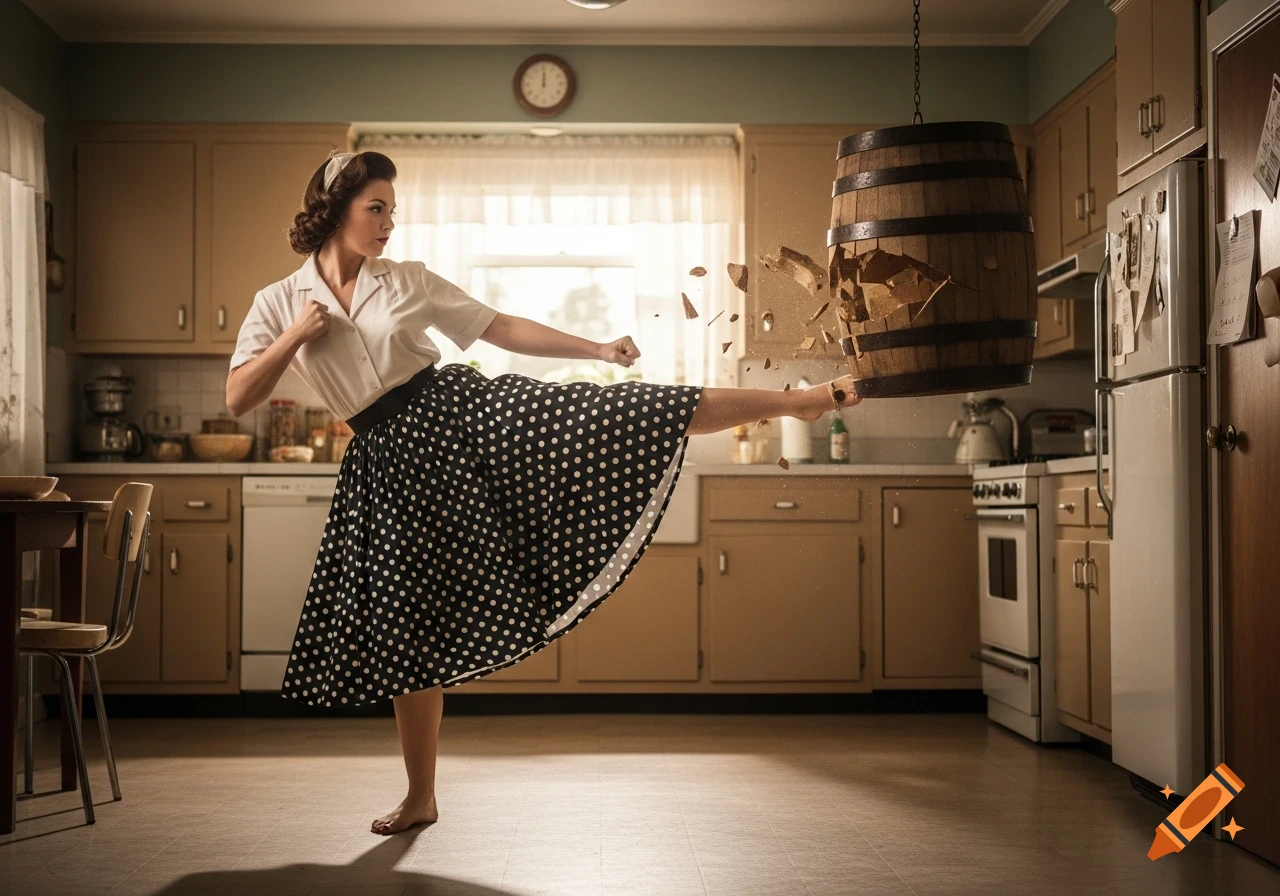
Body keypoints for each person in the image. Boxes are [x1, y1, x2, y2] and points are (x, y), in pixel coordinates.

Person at [226, 150, 863, 835]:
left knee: (627, 412)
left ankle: (793, 401)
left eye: (392, 209)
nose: (388, 223)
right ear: (336, 210)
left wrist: (595, 349)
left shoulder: (407, 280)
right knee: (411, 632)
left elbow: (498, 328)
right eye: (376, 208)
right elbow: (238, 398)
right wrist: (295, 334)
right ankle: (422, 797)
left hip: (458, 420)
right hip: (383, 465)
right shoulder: (278, 302)